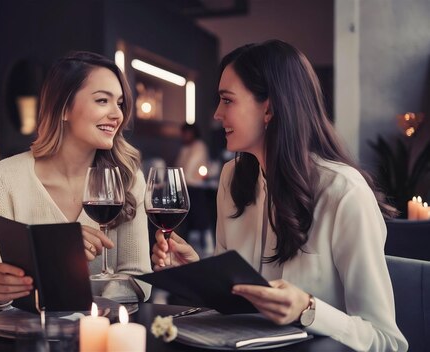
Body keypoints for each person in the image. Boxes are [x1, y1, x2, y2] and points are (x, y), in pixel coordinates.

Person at [151, 40, 408, 351]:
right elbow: (233, 304)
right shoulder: (232, 180)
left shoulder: (344, 192)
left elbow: (387, 341)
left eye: (227, 100)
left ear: (269, 108)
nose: (217, 114)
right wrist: (196, 273)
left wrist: (309, 309)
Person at [0, 51, 151, 310]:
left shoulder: (127, 176)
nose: (118, 114)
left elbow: (141, 282)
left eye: (120, 103)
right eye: (103, 100)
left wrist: (71, 283)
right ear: (64, 107)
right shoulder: (6, 178)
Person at [174, 123, 214, 255]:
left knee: (198, 217)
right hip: (185, 186)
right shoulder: (185, 148)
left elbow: (188, 169)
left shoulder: (199, 146)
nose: (184, 136)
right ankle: (190, 248)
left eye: (186, 133)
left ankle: (202, 248)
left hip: (194, 187)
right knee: (189, 219)